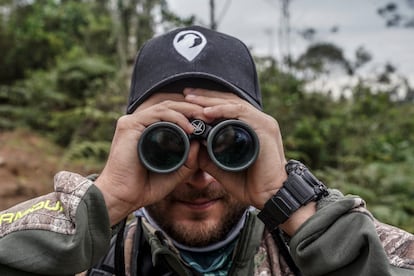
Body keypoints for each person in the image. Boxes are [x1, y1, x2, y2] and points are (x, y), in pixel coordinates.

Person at [0, 25, 413, 276]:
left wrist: (295, 207)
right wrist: (102, 203)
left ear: (261, 139)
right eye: (166, 141)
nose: (198, 174)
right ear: (129, 140)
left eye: (227, 141)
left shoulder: (305, 247)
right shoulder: (92, 251)